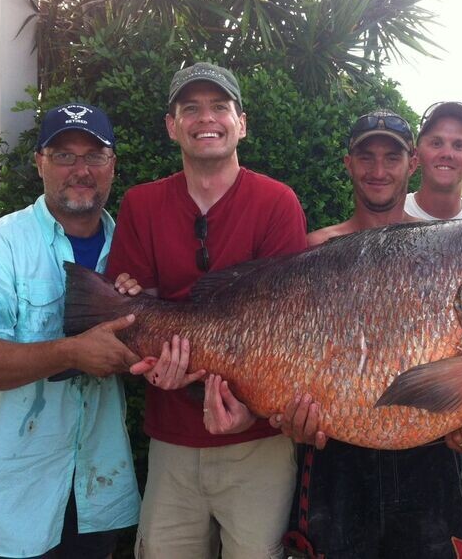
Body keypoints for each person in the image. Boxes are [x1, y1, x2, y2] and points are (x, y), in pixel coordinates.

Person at [104, 61, 308, 559]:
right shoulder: (142, 204)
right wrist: (153, 362)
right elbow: (128, 316)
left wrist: (249, 410)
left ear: (242, 122)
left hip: (259, 441)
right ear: (172, 126)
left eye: (220, 106)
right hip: (172, 440)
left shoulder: (277, 203)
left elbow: (285, 330)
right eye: (190, 108)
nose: (206, 118)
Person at [278, 110, 462, 559]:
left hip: (431, 459)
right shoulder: (313, 251)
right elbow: (277, 356)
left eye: (391, 157)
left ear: (411, 163)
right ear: (348, 164)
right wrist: (287, 414)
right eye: (366, 157)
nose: (378, 171)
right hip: (334, 459)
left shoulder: (446, 252)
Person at [0, 103, 144, 558]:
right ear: (40, 163)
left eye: (94, 155)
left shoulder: (131, 249)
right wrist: (72, 352)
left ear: (113, 164)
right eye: (64, 156)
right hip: (13, 497)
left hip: (96, 488)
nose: (81, 170)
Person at [405, 101, 462, 220]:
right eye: (436, 143)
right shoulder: (391, 215)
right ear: (417, 154)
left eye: (459, 146)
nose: (447, 154)